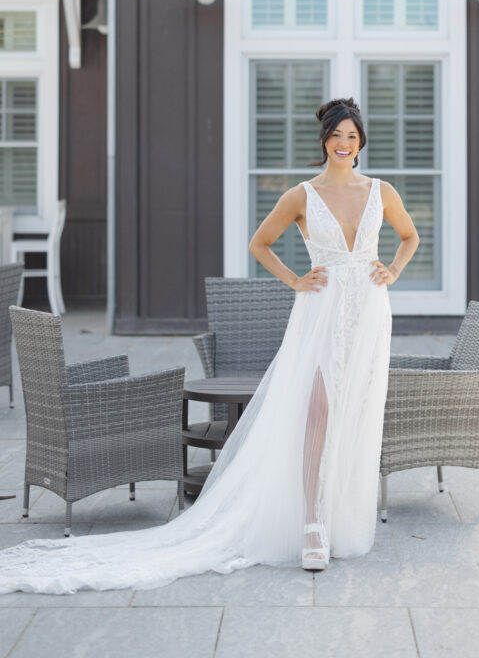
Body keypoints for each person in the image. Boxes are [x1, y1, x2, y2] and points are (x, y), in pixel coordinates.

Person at [0, 98, 418, 593]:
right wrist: (295, 280)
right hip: (321, 313)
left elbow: (409, 236)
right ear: (324, 140)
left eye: (352, 136)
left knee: (357, 412)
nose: (345, 145)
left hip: (369, 313)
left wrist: (391, 270)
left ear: (360, 140)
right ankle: (312, 526)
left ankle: (342, 517)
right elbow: (259, 244)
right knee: (318, 414)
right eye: (337, 136)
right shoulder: (302, 195)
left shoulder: (380, 191)